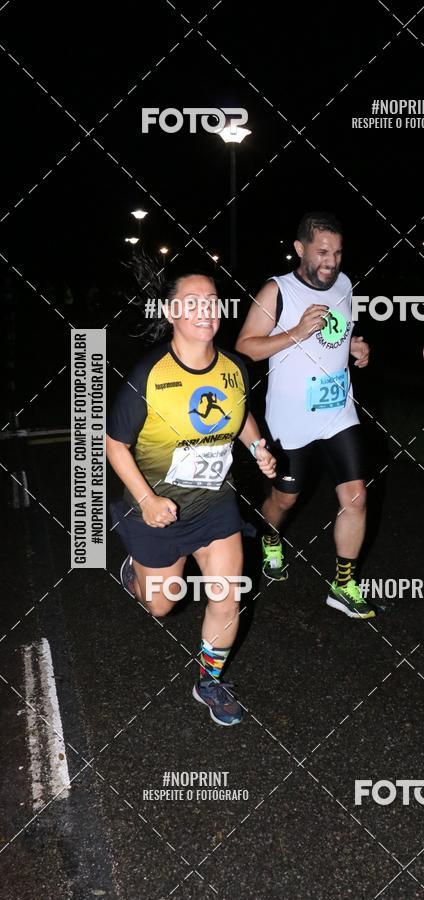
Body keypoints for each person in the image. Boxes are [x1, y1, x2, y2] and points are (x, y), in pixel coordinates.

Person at [107, 272, 276, 726]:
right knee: (162, 604)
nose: (205, 309)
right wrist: (144, 500)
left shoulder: (235, 367)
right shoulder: (149, 376)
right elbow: (114, 443)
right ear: (170, 313)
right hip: (156, 509)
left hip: (213, 504)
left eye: (213, 301)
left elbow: (238, 417)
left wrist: (259, 449)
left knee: (227, 594)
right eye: (193, 301)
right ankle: (135, 573)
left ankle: (208, 680)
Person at [236, 212, 375, 619]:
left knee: (356, 496)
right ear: (300, 249)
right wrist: (294, 332)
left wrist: (356, 348)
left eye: (337, 252)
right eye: (322, 252)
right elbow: (245, 348)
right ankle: (270, 537)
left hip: (337, 410)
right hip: (290, 420)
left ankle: (343, 585)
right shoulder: (276, 291)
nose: (332, 261)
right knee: (285, 498)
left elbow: (339, 334)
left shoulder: (345, 285)